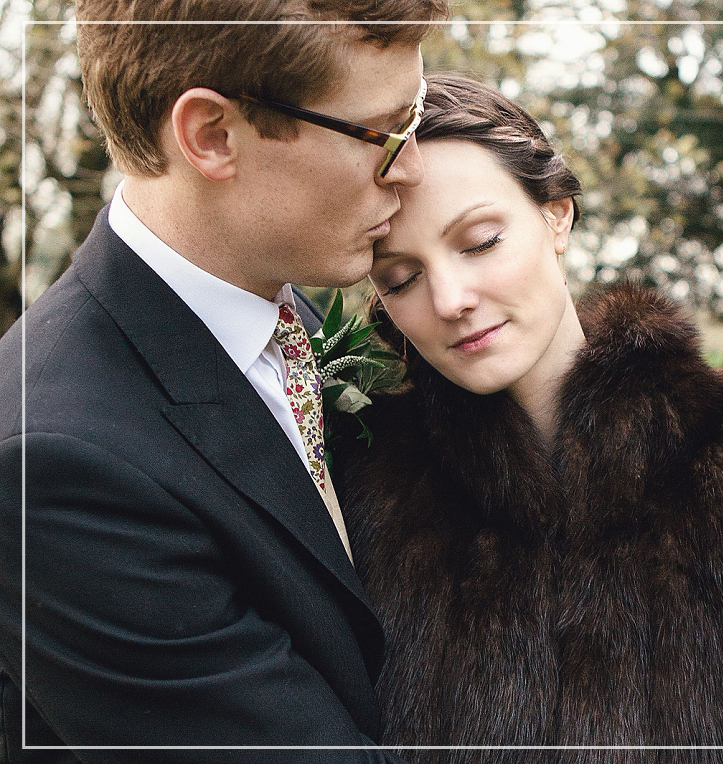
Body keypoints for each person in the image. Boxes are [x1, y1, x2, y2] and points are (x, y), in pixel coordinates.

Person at [335, 73, 723, 764]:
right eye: (399, 277)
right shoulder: (367, 496)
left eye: (480, 240)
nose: (450, 298)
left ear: (557, 215)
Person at [0, 1, 446, 759]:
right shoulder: (61, 463)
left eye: (417, 119)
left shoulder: (296, 311)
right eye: (382, 133)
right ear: (212, 137)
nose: (412, 166)